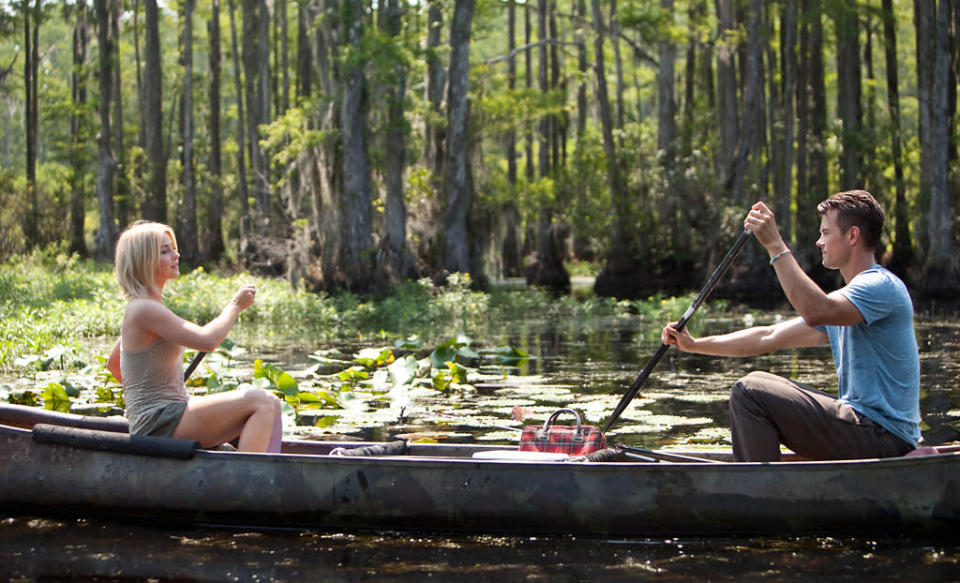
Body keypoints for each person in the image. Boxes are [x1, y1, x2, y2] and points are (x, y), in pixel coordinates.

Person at [661, 190, 920, 462]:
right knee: (757, 383)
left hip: (883, 437)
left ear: (852, 236)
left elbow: (816, 310)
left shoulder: (880, 286)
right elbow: (768, 336)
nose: (819, 242)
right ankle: (763, 483)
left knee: (749, 393)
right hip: (866, 432)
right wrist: (695, 344)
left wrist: (775, 246)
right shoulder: (846, 305)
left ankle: (761, 493)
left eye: (826, 233)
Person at [106, 221, 282, 453]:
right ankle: (249, 480)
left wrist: (150, 398)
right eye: (165, 251)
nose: (176, 255)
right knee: (262, 401)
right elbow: (208, 340)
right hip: (157, 423)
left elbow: (114, 364)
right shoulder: (143, 309)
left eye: (173, 248)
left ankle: (267, 472)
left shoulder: (145, 308)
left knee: (273, 404)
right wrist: (235, 306)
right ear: (144, 260)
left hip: (165, 415)